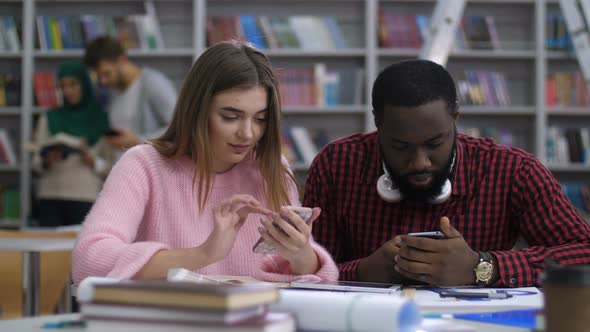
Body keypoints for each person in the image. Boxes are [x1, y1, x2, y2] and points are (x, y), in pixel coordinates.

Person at [305, 59, 590, 288]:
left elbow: (584, 253)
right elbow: (304, 269)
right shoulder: (336, 165)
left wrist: (481, 267)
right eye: (401, 146)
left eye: (434, 143)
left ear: (455, 118)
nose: (420, 162)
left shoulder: (512, 171)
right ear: (378, 123)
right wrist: (364, 270)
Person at [72, 41, 338, 284]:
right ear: (197, 111)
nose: (247, 133)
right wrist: (202, 254)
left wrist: (302, 255)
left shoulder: (272, 169)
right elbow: (88, 260)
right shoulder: (143, 165)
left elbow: (314, 289)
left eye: (260, 118)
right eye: (231, 116)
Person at [32, 61, 113, 227]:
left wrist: (91, 160)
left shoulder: (101, 120)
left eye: (73, 84)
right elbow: (35, 165)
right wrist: (46, 161)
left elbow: (112, 169)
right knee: (48, 252)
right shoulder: (48, 118)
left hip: (86, 198)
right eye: (63, 86)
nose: (68, 91)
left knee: (83, 251)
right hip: (50, 198)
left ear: (84, 84)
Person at [83, 36, 177, 150]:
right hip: (119, 164)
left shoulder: (154, 83)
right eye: (99, 77)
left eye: (106, 73)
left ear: (122, 60)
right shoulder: (113, 91)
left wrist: (139, 140)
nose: (103, 81)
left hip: (145, 164)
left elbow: (179, 130)